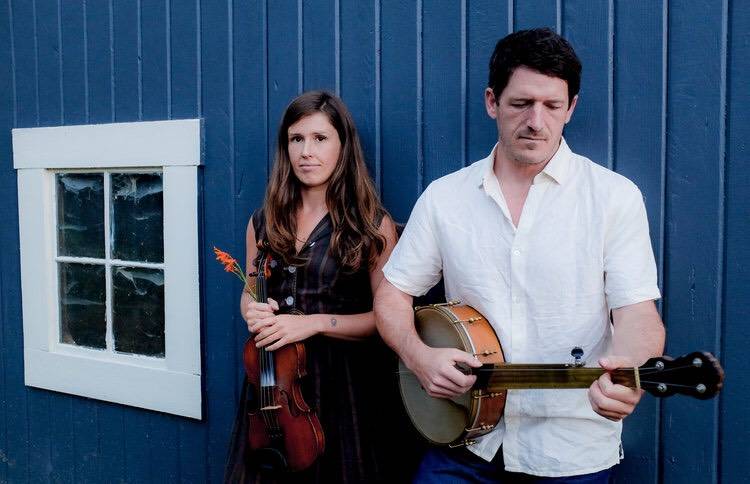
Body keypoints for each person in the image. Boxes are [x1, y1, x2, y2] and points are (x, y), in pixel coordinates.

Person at [374, 28, 665, 482]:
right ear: (492, 101)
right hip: (465, 438)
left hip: (570, 450)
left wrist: (628, 375)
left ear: (571, 108)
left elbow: (638, 316)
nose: (536, 121)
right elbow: (392, 294)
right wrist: (418, 356)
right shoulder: (445, 198)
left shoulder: (613, 198)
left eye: (552, 105)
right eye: (521, 103)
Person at [224, 90, 402, 483]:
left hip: (344, 388)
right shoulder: (263, 221)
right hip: (275, 388)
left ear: (343, 145)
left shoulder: (372, 226)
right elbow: (250, 290)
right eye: (296, 139)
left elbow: (387, 320)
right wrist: (252, 310)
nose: (307, 152)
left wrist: (313, 323)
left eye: (320, 138)